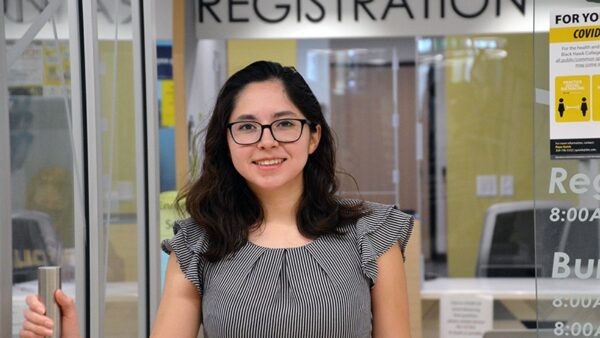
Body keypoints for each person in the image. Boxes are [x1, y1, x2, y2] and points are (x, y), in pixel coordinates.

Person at [20, 60, 413, 338]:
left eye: (285, 124)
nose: (267, 141)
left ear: (313, 136)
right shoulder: (197, 244)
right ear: (226, 142)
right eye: (246, 127)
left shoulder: (370, 234)